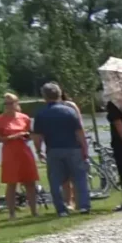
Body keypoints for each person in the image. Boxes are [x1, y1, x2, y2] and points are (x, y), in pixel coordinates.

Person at [33, 82, 90, 216]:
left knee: (55, 181)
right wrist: (85, 148)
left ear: (44, 97)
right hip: (73, 148)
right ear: (59, 94)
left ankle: (61, 209)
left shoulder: (41, 114)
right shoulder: (70, 111)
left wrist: (38, 150)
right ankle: (83, 206)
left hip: (53, 149)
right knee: (80, 178)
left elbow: (37, 136)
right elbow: (79, 131)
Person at [0, 92, 39, 217]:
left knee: (30, 182)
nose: (8, 106)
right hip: (10, 153)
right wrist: (11, 137)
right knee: (11, 183)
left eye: (10, 103)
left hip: (24, 151)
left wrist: (28, 136)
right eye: (6, 103)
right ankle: (12, 213)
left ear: (16, 103)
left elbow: (30, 133)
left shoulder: (24, 118)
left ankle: (34, 211)